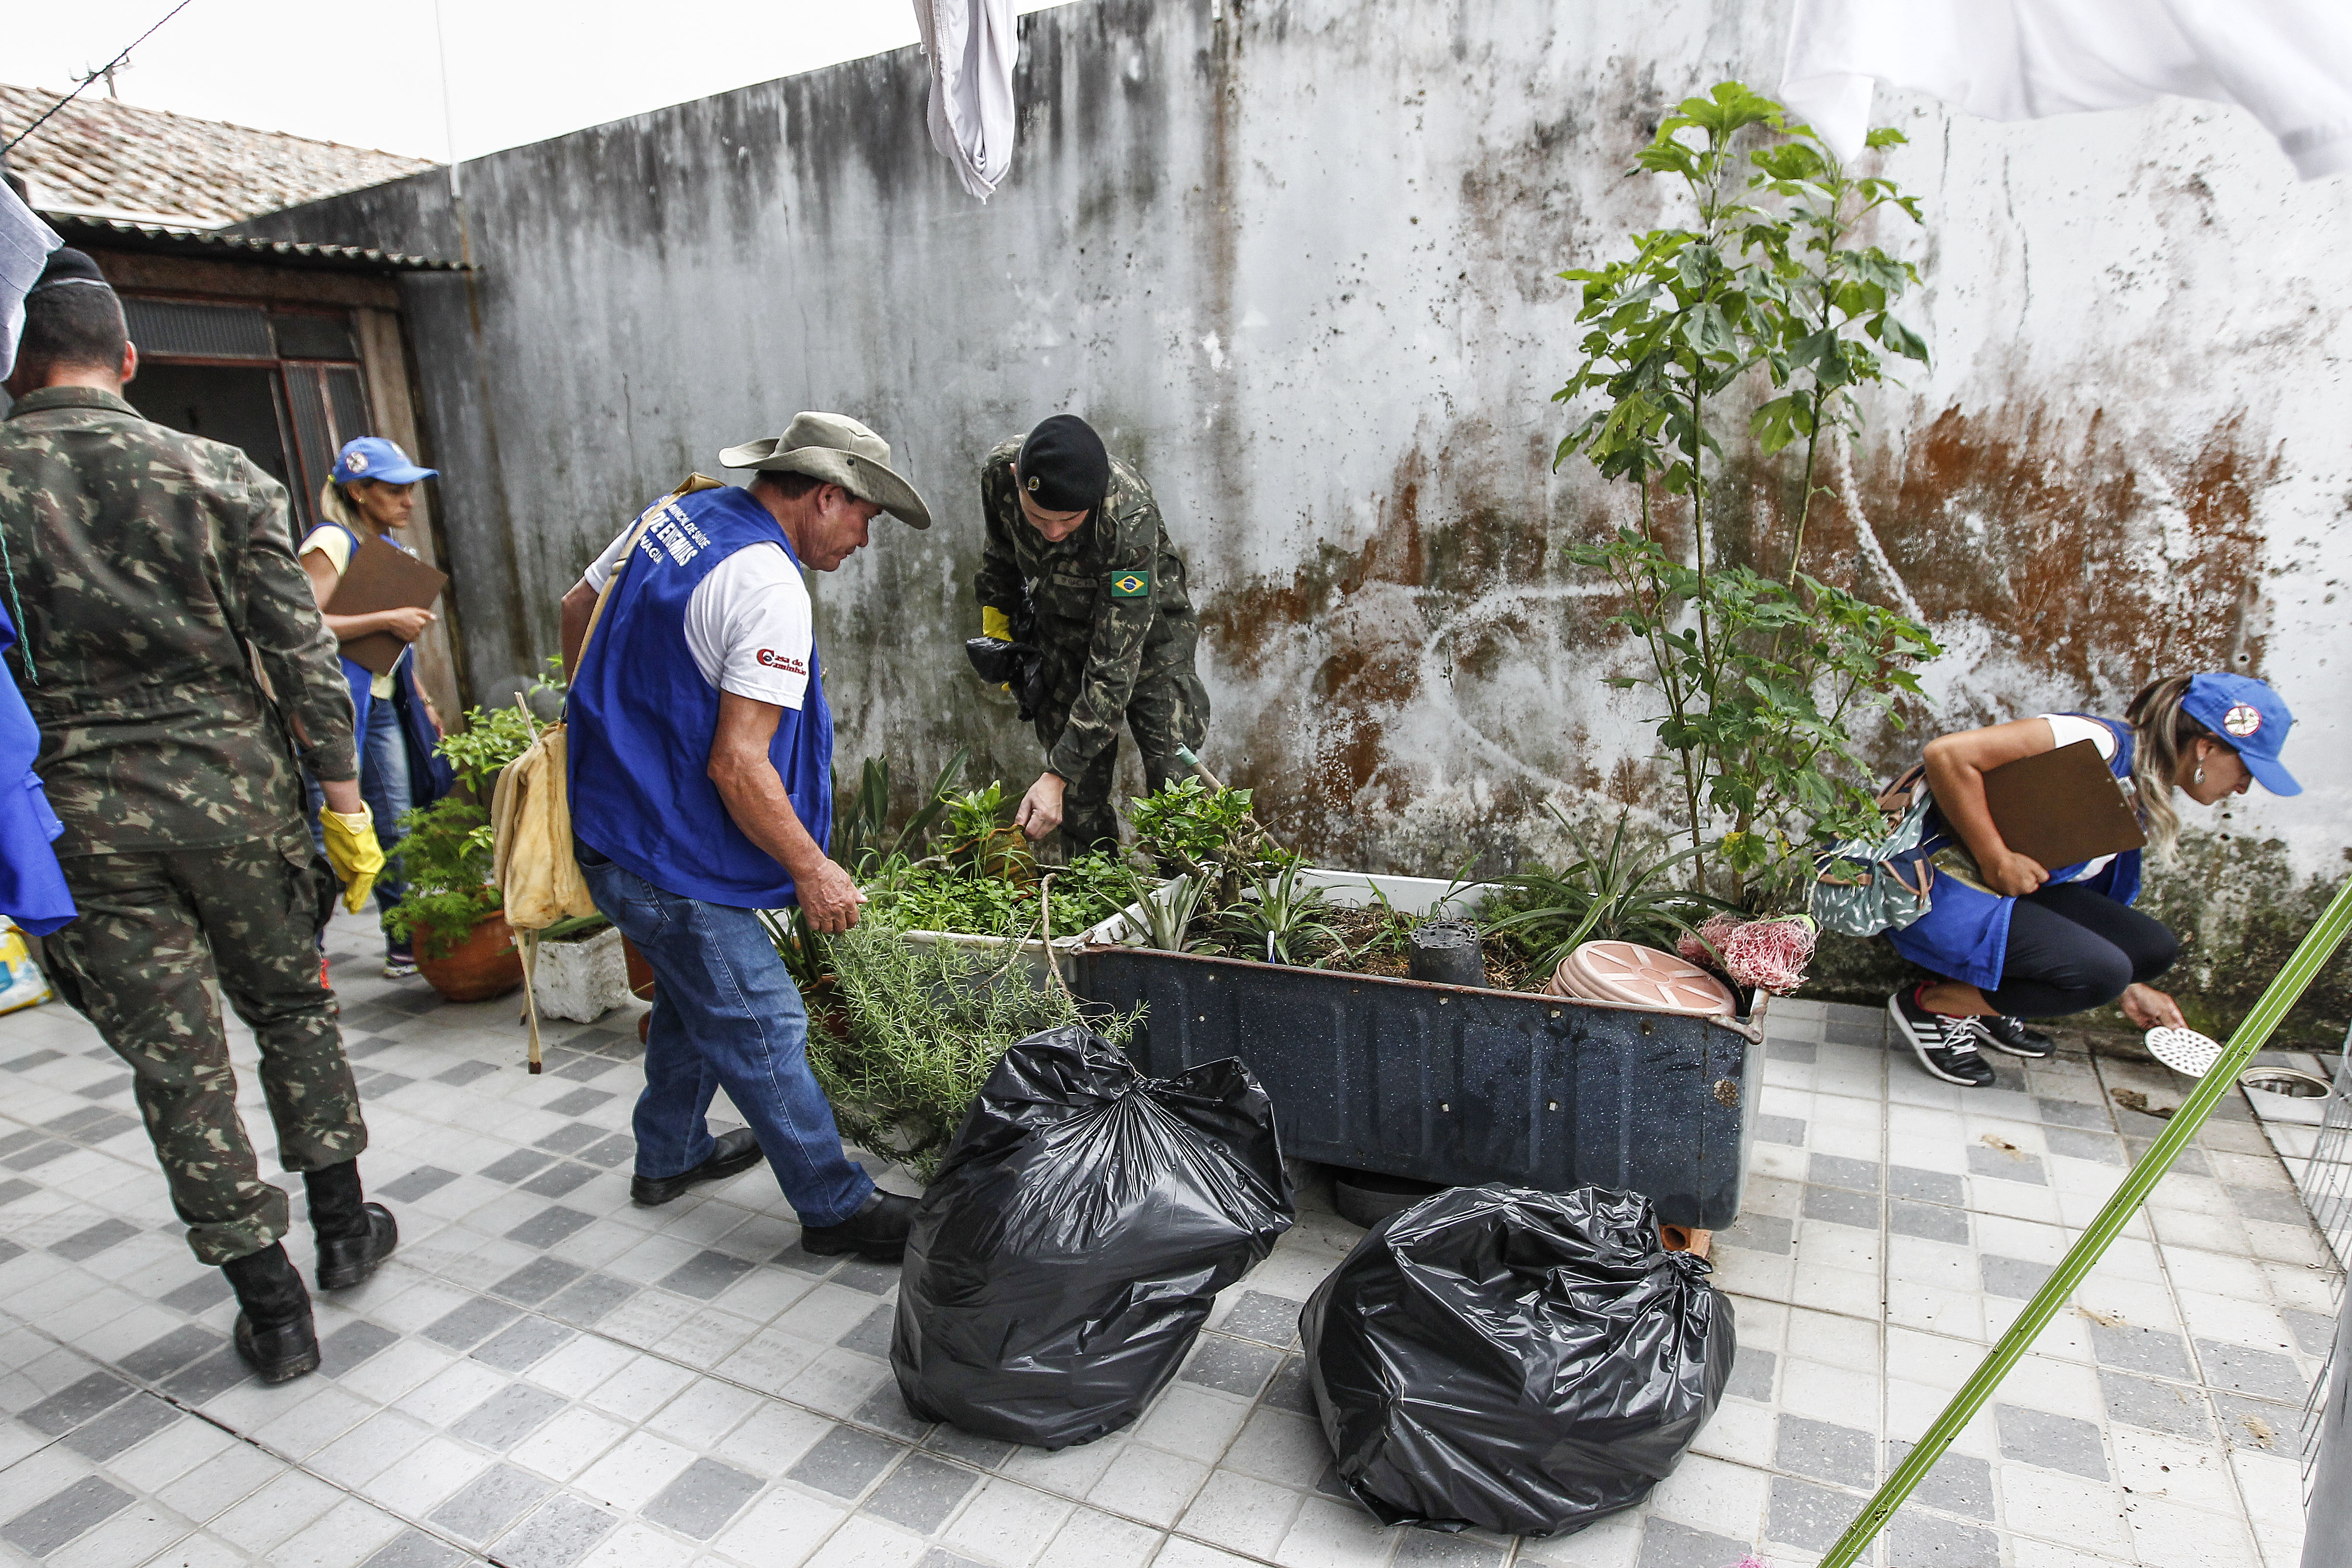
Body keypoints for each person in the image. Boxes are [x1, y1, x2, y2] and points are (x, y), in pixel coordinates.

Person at [0, 248, 396, 1381]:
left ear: (22, 369)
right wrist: (342, 801)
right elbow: (301, 651)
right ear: (129, 359)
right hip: (241, 802)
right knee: (293, 1010)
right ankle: (343, 1226)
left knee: (178, 1064)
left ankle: (271, 1309)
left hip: (77, 821)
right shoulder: (219, 471)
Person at [560, 413, 931, 1262]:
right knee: (762, 1018)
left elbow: (576, 605)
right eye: (866, 519)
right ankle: (834, 1205)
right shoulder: (766, 583)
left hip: (612, 822)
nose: (865, 540)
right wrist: (815, 868)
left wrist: (601, 728)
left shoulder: (676, 513)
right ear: (827, 496)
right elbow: (738, 765)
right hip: (672, 856)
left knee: (699, 994)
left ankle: (671, 1154)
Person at [1885, 673, 2299, 1086]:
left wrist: (2129, 988)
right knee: (2102, 973)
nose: (2244, 788)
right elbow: (1948, 755)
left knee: (2151, 951)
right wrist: (1998, 859)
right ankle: (1935, 1005)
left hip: (2003, 892)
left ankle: (1987, 1006)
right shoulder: (2098, 743)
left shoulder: (2148, 781)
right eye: (2246, 770)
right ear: (2207, 748)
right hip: (1937, 884)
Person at [973, 415, 1210, 854]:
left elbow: (1115, 665)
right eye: (1039, 517)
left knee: (1176, 786)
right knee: (1078, 805)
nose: (1054, 532)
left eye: (1069, 520)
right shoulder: (999, 476)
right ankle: (1098, 906)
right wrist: (1003, 636)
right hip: (1060, 637)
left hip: (1150, 646)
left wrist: (1056, 773)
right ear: (1016, 480)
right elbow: (1000, 558)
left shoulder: (1128, 517)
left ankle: (1193, 907)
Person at [298, 437, 453, 977]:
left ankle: (404, 941)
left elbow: (397, 646)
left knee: (398, 826)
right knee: (328, 832)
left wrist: (426, 699)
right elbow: (305, 625)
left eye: (411, 489)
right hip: (333, 709)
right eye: (394, 490)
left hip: (387, 704)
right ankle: (305, 954)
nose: (408, 500)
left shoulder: (389, 547)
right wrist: (384, 620)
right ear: (359, 491)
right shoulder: (331, 541)